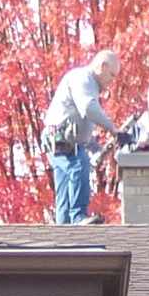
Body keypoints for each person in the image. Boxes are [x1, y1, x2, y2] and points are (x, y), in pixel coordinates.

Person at [40, 49, 120, 224]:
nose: (112, 81)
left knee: (64, 189)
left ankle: (64, 231)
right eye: (112, 75)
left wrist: (98, 148)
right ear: (103, 66)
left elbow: (81, 129)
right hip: (60, 139)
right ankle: (78, 216)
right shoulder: (84, 79)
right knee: (79, 163)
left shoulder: (89, 85)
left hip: (64, 140)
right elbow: (88, 108)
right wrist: (113, 129)